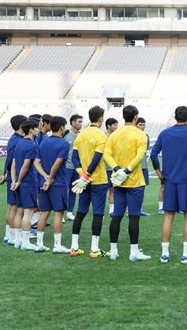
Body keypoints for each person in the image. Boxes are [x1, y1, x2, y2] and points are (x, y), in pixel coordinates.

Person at [151, 106, 187, 264]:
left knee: (168, 216)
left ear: (175, 117)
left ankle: (164, 254)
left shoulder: (165, 133)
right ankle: (186, 254)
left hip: (170, 180)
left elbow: (153, 154)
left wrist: (158, 172)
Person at [104, 105, 150, 261]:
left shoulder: (114, 135)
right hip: (135, 182)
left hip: (119, 182)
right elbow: (139, 155)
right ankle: (133, 252)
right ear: (136, 117)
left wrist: (117, 169)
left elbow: (107, 155)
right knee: (134, 217)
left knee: (117, 216)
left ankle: (114, 250)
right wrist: (128, 170)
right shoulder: (140, 134)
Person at [69, 106, 110, 258]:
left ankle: (74, 247)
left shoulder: (81, 135)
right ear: (101, 119)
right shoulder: (101, 136)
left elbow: (74, 157)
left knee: (81, 211)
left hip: (83, 181)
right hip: (98, 179)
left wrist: (81, 174)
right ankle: (94, 249)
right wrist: (86, 175)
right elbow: (97, 158)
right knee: (98, 214)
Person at [33, 116, 72, 254]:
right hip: (58, 182)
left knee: (44, 213)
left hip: (44, 182)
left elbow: (36, 162)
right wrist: (50, 179)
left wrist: (45, 176)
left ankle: (39, 244)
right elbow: (57, 163)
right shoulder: (64, 144)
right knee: (58, 213)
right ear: (62, 127)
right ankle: (57, 245)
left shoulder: (43, 142)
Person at [10, 119, 44, 251]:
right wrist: (18, 181)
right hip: (28, 182)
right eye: (36, 128)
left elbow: (13, 164)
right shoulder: (32, 145)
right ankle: (25, 241)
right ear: (31, 130)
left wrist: (14, 181)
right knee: (28, 214)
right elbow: (25, 166)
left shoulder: (19, 143)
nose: (38, 130)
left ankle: (18, 240)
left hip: (19, 183)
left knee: (19, 212)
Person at [0, 114, 27, 245]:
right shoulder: (17, 141)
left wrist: (5, 173)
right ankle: (12, 236)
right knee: (15, 207)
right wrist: (9, 174)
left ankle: (8, 234)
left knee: (12, 206)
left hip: (11, 175)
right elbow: (11, 160)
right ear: (22, 126)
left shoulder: (14, 139)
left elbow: (8, 159)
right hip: (15, 176)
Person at [64, 114, 83, 221]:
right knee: (64, 190)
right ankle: (61, 213)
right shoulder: (65, 134)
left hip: (77, 167)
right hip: (66, 167)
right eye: (79, 122)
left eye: (81, 122)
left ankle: (70, 212)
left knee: (74, 190)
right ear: (72, 123)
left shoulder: (81, 135)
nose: (81, 124)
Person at [136, 117, 151, 217]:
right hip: (134, 167)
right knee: (132, 188)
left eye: (143, 124)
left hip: (144, 166)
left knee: (142, 188)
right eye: (140, 124)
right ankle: (130, 209)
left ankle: (140, 209)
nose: (142, 126)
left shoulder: (146, 136)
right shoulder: (132, 135)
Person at [104, 118, 118, 216]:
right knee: (102, 190)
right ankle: (100, 211)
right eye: (114, 125)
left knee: (112, 190)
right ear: (108, 126)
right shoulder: (103, 136)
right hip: (104, 167)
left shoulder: (116, 136)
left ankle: (111, 211)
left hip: (113, 167)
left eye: (117, 125)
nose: (116, 127)